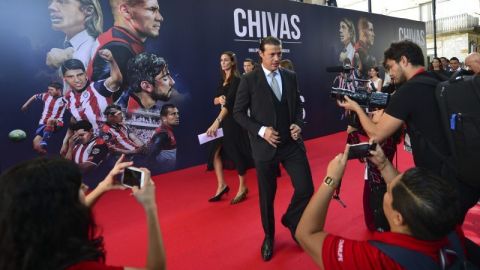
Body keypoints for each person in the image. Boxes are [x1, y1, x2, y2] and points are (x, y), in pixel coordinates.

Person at [296, 144, 463, 269]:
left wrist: (330, 180)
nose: (388, 186)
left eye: (388, 191)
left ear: (399, 218)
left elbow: (306, 234)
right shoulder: (448, 225)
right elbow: (408, 195)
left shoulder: (378, 259)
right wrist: (383, 165)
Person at [0, 154, 166, 270]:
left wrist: (103, 187)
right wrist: (150, 206)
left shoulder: (16, 251)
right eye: (79, 187)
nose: (86, 188)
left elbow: (63, 216)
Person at [233, 36, 314, 261]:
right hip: (264, 148)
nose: (277, 58)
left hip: (291, 145)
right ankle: (269, 236)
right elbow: (238, 113)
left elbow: (298, 107)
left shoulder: (290, 76)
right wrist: (261, 131)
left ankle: (291, 219)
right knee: (267, 197)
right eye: (272, 54)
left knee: (306, 188)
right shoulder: (249, 79)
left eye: (280, 53)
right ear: (261, 54)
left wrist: (298, 124)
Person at [338, 40, 449, 177]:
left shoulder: (408, 91)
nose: (390, 73)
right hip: (457, 165)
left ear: (403, 60)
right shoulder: (438, 79)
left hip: (438, 175)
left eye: (390, 67)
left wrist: (356, 108)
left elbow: (376, 135)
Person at [88, 0, 163, 101]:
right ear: (126, 11)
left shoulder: (118, 39)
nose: (160, 18)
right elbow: (103, 102)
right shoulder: (118, 49)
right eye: (151, 9)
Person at [205, 51, 252, 204]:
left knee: (235, 153)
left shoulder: (237, 80)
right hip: (223, 120)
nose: (223, 62)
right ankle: (222, 185)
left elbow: (230, 106)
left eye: (226, 60)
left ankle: (243, 187)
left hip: (233, 121)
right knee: (215, 153)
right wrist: (218, 99)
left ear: (232, 62)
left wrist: (216, 122)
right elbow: (214, 100)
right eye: (221, 60)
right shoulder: (222, 80)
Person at [60, 49, 122, 155]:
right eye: (71, 76)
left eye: (79, 74)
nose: (77, 80)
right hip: (91, 146)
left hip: (115, 142)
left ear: (85, 74)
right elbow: (74, 119)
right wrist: (65, 142)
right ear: (65, 78)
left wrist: (111, 61)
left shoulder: (98, 87)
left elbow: (116, 80)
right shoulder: (67, 98)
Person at [46, 0, 103, 71]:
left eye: (62, 1)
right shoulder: (67, 46)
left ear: (88, 10)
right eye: (50, 2)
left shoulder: (94, 50)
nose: (51, 7)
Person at [21, 81, 67, 154]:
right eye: (48, 89)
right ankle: (45, 158)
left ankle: (44, 141)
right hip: (43, 124)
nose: (49, 91)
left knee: (50, 120)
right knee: (36, 146)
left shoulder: (64, 99)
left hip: (57, 123)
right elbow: (35, 96)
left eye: (51, 90)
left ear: (58, 90)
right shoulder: (46, 96)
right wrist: (26, 105)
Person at [147, 104, 180, 172]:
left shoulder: (168, 131)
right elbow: (150, 157)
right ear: (164, 118)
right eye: (173, 114)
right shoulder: (162, 134)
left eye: (177, 113)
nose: (177, 116)